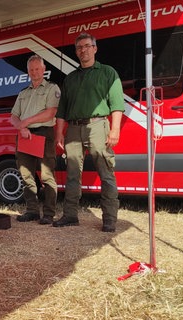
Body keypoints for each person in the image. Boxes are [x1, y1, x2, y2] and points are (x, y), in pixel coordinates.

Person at [54, 33, 125, 232]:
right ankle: (70, 215)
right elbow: (62, 110)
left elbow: (117, 104)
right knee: (72, 174)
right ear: (76, 52)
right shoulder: (71, 78)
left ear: (95, 48)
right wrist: (59, 133)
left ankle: (109, 219)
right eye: (79, 48)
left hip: (98, 125)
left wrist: (115, 129)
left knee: (106, 173)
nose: (83, 50)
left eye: (87, 46)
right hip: (74, 128)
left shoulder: (108, 72)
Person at [10, 54, 60, 225]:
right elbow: (13, 116)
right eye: (31, 70)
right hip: (25, 135)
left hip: (43, 133)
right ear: (28, 71)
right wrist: (21, 127)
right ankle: (32, 210)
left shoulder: (51, 88)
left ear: (43, 69)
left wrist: (27, 121)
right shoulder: (23, 92)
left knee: (47, 175)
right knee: (25, 174)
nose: (34, 72)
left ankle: (48, 213)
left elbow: (51, 112)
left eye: (37, 69)